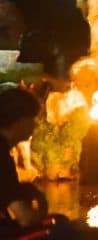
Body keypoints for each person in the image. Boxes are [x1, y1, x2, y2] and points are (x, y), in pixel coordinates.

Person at [0, 87, 44, 232]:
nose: (36, 125)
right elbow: (26, 219)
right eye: (32, 119)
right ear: (19, 120)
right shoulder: (2, 156)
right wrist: (42, 204)